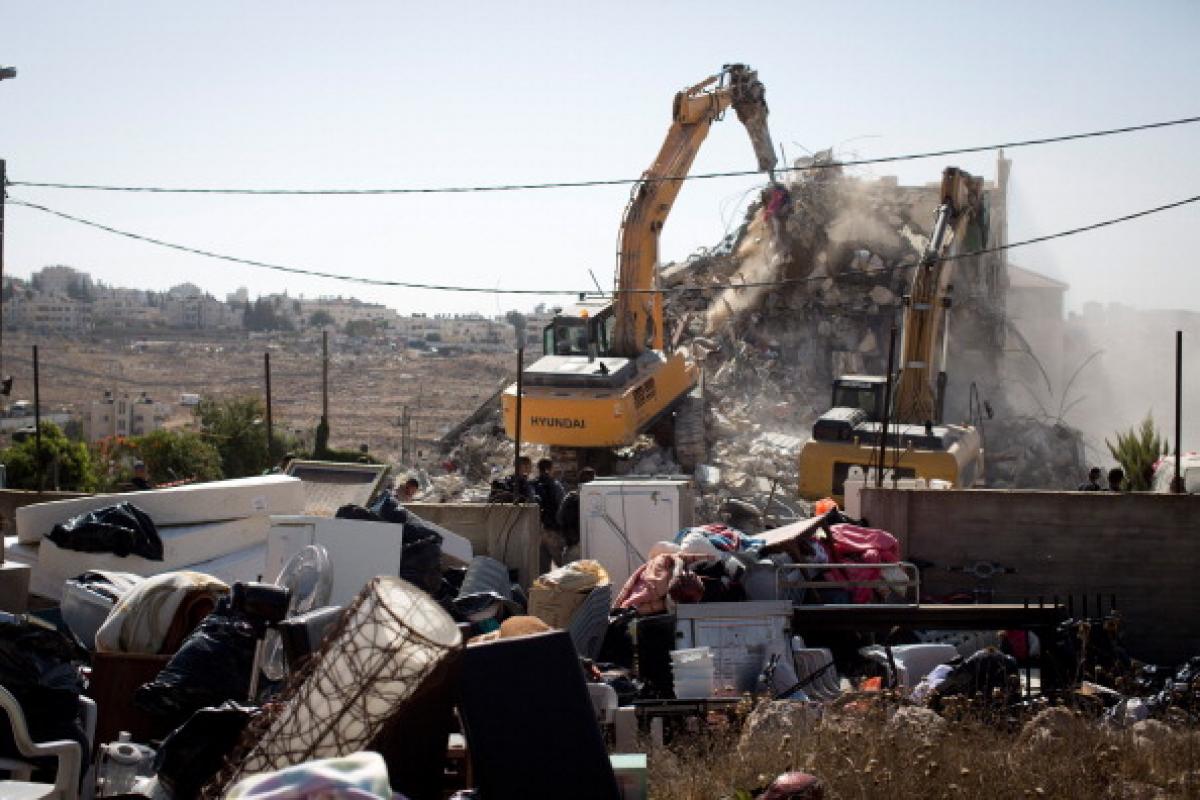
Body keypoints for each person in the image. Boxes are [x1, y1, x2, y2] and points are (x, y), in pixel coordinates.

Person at [556, 467, 596, 558]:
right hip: (579, 545)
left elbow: (559, 518)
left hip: (573, 544)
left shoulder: (570, 496)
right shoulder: (588, 499)